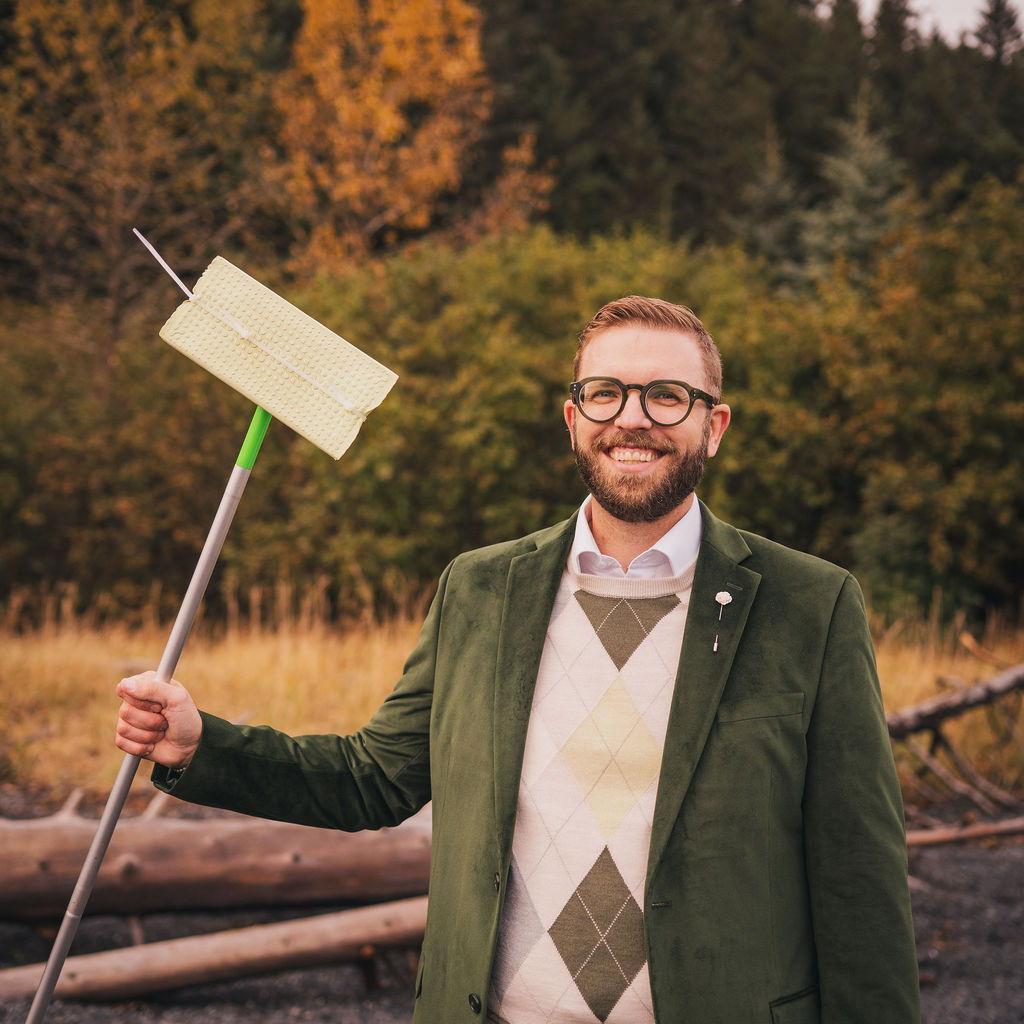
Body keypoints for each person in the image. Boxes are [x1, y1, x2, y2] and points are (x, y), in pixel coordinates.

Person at [115, 296, 921, 1024]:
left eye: (667, 396)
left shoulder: (809, 605)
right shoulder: (480, 589)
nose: (632, 418)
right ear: (572, 418)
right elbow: (376, 778)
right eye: (605, 393)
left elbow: (859, 877)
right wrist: (200, 745)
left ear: (714, 424)